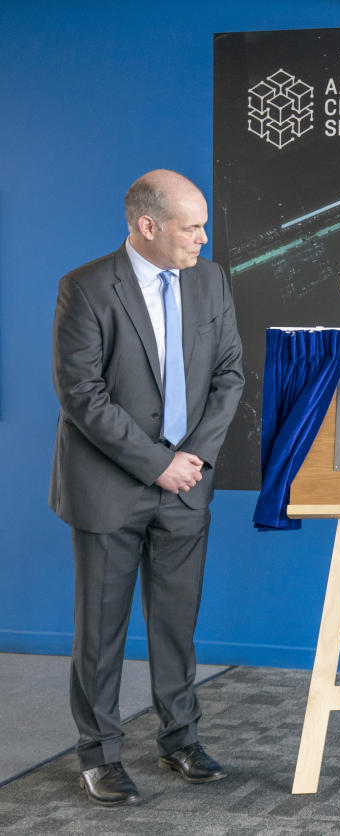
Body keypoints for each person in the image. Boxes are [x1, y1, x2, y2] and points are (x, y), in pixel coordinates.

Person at [49, 170, 244, 806]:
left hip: (188, 485)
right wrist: (155, 463)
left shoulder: (211, 280)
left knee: (175, 625)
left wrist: (191, 460)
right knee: (100, 631)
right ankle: (98, 756)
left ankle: (180, 740)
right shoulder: (84, 288)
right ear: (148, 227)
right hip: (110, 488)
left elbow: (229, 376)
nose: (203, 237)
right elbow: (82, 394)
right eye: (192, 227)